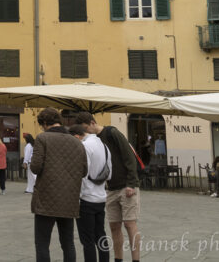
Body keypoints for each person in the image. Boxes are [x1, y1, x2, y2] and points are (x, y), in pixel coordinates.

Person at [78, 112, 140, 262]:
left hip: (127, 186)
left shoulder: (112, 132)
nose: (86, 132)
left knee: (129, 224)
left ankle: (136, 260)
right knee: (113, 226)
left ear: (92, 123)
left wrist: (131, 183)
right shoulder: (94, 140)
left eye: (87, 128)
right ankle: (118, 259)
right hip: (110, 188)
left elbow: (129, 157)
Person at [31, 108, 87, 262]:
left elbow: (35, 167)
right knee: (68, 243)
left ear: (44, 123)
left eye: (41, 125)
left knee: (42, 243)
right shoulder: (77, 142)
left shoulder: (43, 138)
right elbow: (84, 171)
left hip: (46, 199)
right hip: (69, 199)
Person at [73, 123, 112, 262]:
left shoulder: (84, 146)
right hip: (101, 197)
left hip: (86, 198)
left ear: (77, 136)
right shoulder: (105, 146)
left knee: (87, 240)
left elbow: (82, 175)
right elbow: (109, 174)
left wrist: (77, 197)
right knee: (101, 235)